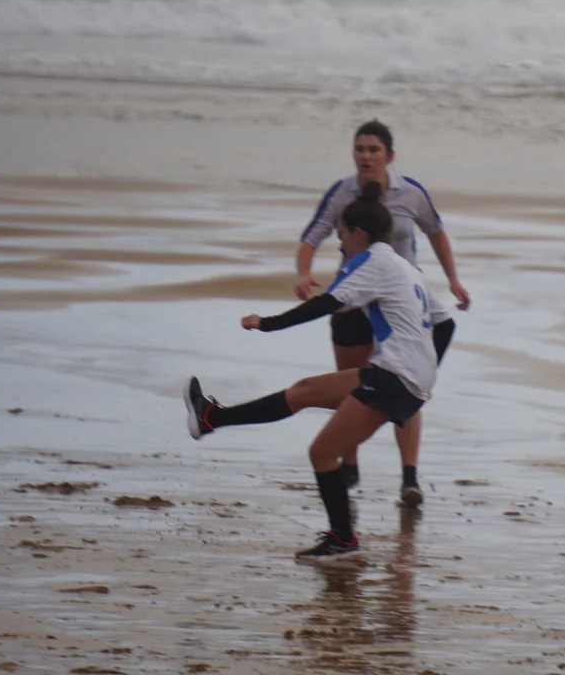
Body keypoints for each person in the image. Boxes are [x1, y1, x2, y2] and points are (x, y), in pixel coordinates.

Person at [184, 183, 442, 559]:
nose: (340, 245)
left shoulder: (375, 262)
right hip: (399, 373)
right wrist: (426, 369)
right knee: (305, 390)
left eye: (342, 236)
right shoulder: (406, 267)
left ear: (359, 234)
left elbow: (327, 304)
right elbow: (445, 321)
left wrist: (266, 323)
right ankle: (210, 418)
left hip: (395, 378)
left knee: (322, 452)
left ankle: (343, 539)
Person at [297, 120, 470, 506]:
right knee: (351, 386)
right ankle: (349, 466)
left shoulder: (411, 193)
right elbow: (312, 236)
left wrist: (453, 281)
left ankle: (409, 477)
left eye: (374, 149)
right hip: (353, 302)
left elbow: (436, 232)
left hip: (403, 307)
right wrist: (303, 273)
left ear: (389, 155)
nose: (366, 156)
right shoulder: (342, 193)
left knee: (406, 387)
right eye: (360, 149)